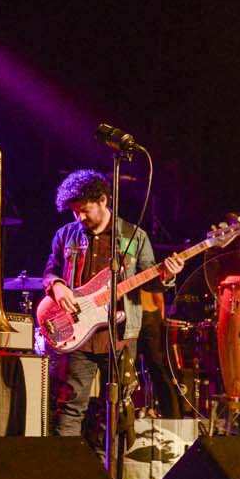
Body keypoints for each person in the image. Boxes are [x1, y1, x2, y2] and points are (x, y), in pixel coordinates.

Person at [41, 170, 179, 451]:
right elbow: (50, 270)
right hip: (77, 335)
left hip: (118, 335)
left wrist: (167, 275)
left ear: (103, 200)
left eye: (84, 210)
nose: (79, 218)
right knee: (69, 406)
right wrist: (57, 286)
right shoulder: (66, 235)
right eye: (74, 212)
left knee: (114, 409)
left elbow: (151, 282)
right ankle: (63, 471)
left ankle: (105, 474)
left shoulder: (133, 237)